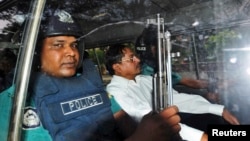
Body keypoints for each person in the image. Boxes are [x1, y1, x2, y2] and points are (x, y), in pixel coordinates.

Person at [1, 10, 180, 141]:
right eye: (58, 45)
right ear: (33, 52)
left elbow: (122, 119)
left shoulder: (89, 82)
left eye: (74, 45)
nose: (71, 52)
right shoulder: (16, 101)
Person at [105, 44, 240, 140]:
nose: (138, 60)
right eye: (131, 58)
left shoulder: (145, 80)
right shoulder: (115, 91)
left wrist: (218, 109)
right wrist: (200, 137)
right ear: (117, 67)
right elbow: (153, 120)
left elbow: (175, 99)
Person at [135, 24, 220, 103]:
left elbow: (188, 82)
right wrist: (204, 97)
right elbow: (165, 101)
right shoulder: (148, 74)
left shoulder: (157, 69)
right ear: (154, 48)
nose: (168, 49)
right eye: (165, 44)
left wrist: (212, 84)